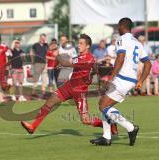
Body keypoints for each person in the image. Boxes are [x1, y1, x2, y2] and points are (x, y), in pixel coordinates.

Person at [20, 34, 118, 134]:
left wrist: (57, 55)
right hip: (69, 86)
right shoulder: (84, 57)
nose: (78, 45)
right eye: (78, 43)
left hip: (80, 92)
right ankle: (33, 126)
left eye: (81, 43)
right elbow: (93, 69)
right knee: (50, 102)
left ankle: (109, 125)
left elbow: (66, 63)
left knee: (85, 120)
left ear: (88, 46)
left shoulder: (86, 58)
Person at [90, 18, 151, 146]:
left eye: (118, 26)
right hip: (129, 79)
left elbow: (120, 58)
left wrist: (111, 77)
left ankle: (130, 128)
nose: (117, 28)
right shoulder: (138, 43)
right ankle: (106, 137)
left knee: (103, 106)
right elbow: (148, 64)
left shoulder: (121, 39)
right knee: (103, 103)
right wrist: (140, 81)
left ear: (122, 26)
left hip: (122, 79)